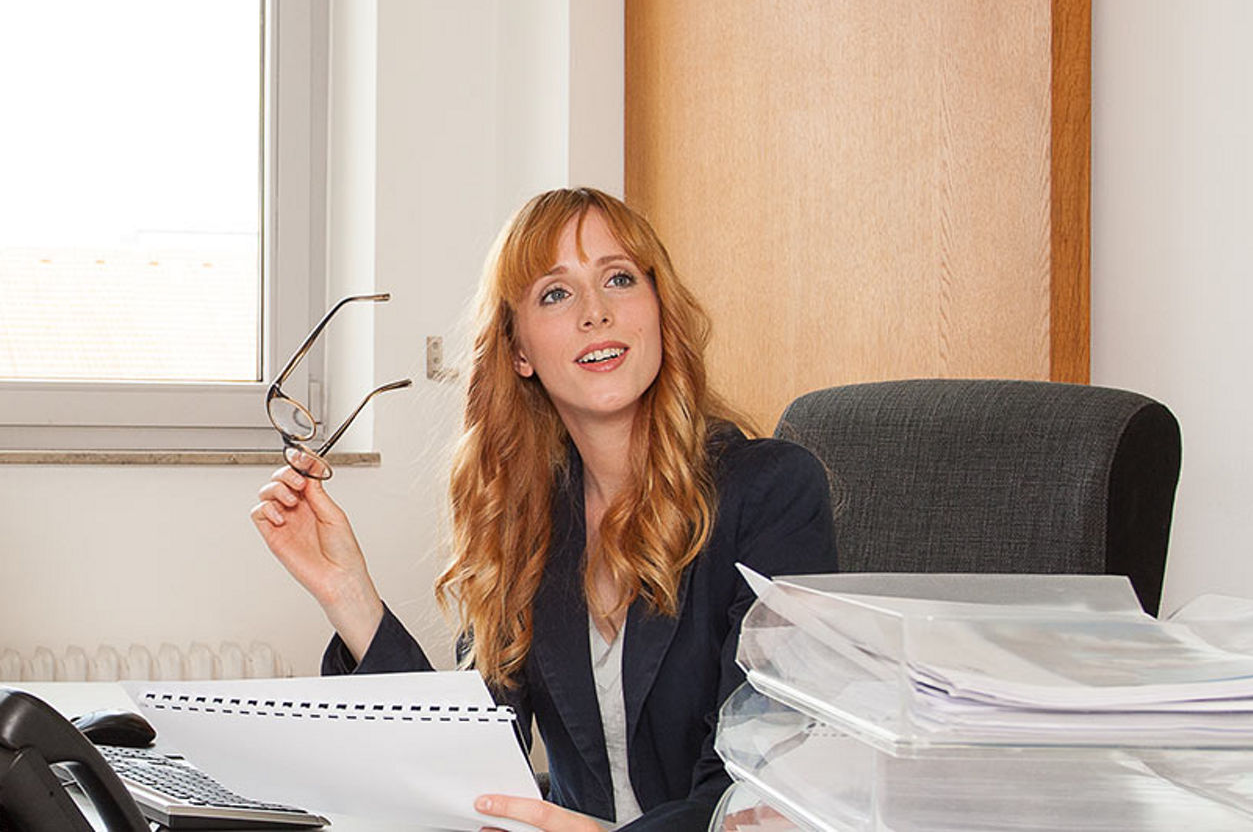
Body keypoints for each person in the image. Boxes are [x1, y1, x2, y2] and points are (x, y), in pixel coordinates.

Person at [250, 187, 836, 830]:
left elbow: (754, 784)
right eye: (556, 293)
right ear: (520, 351)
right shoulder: (522, 519)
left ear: (659, 313)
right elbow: (466, 763)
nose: (596, 313)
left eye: (619, 278)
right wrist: (349, 595)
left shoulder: (773, 491)